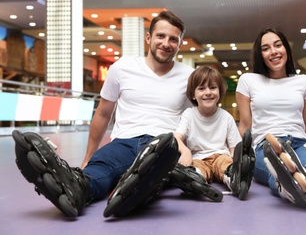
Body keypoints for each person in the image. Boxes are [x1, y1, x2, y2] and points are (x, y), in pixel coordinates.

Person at [12, 11, 195, 218]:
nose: (166, 43)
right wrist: (88, 158)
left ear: (180, 44)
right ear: (148, 38)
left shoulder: (189, 77)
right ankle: (77, 189)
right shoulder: (122, 68)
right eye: (161, 36)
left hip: (163, 143)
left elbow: (194, 120)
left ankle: (139, 189)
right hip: (125, 140)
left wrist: (191, 153)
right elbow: (103, 114)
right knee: (100, 169)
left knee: (153, 169)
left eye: (173, 39)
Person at [235, 27, 306, 213]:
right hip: (266, 145)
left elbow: (303, 123)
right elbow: (245, 126)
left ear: (286, 48)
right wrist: (241, 158)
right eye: (266, 48)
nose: (273, 51)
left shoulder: (304, 82)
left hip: (298, 142)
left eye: (278, 45)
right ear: (259, 54)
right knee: (279, 169)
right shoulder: (248, 80)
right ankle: (291, 188)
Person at [168, 66, 255, 201]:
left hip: (221, 155)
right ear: (193, 94)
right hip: (199, 158)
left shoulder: (226, 117)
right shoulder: (189, 114)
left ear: (219, 92)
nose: (208, 92)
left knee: (224, 163)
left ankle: (233, 177)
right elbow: (176, 137)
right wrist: (185, 152)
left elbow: (233, 148)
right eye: (201, 88)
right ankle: (193, 180)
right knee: (197, 168)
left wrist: (237, 161)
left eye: (213, 88)